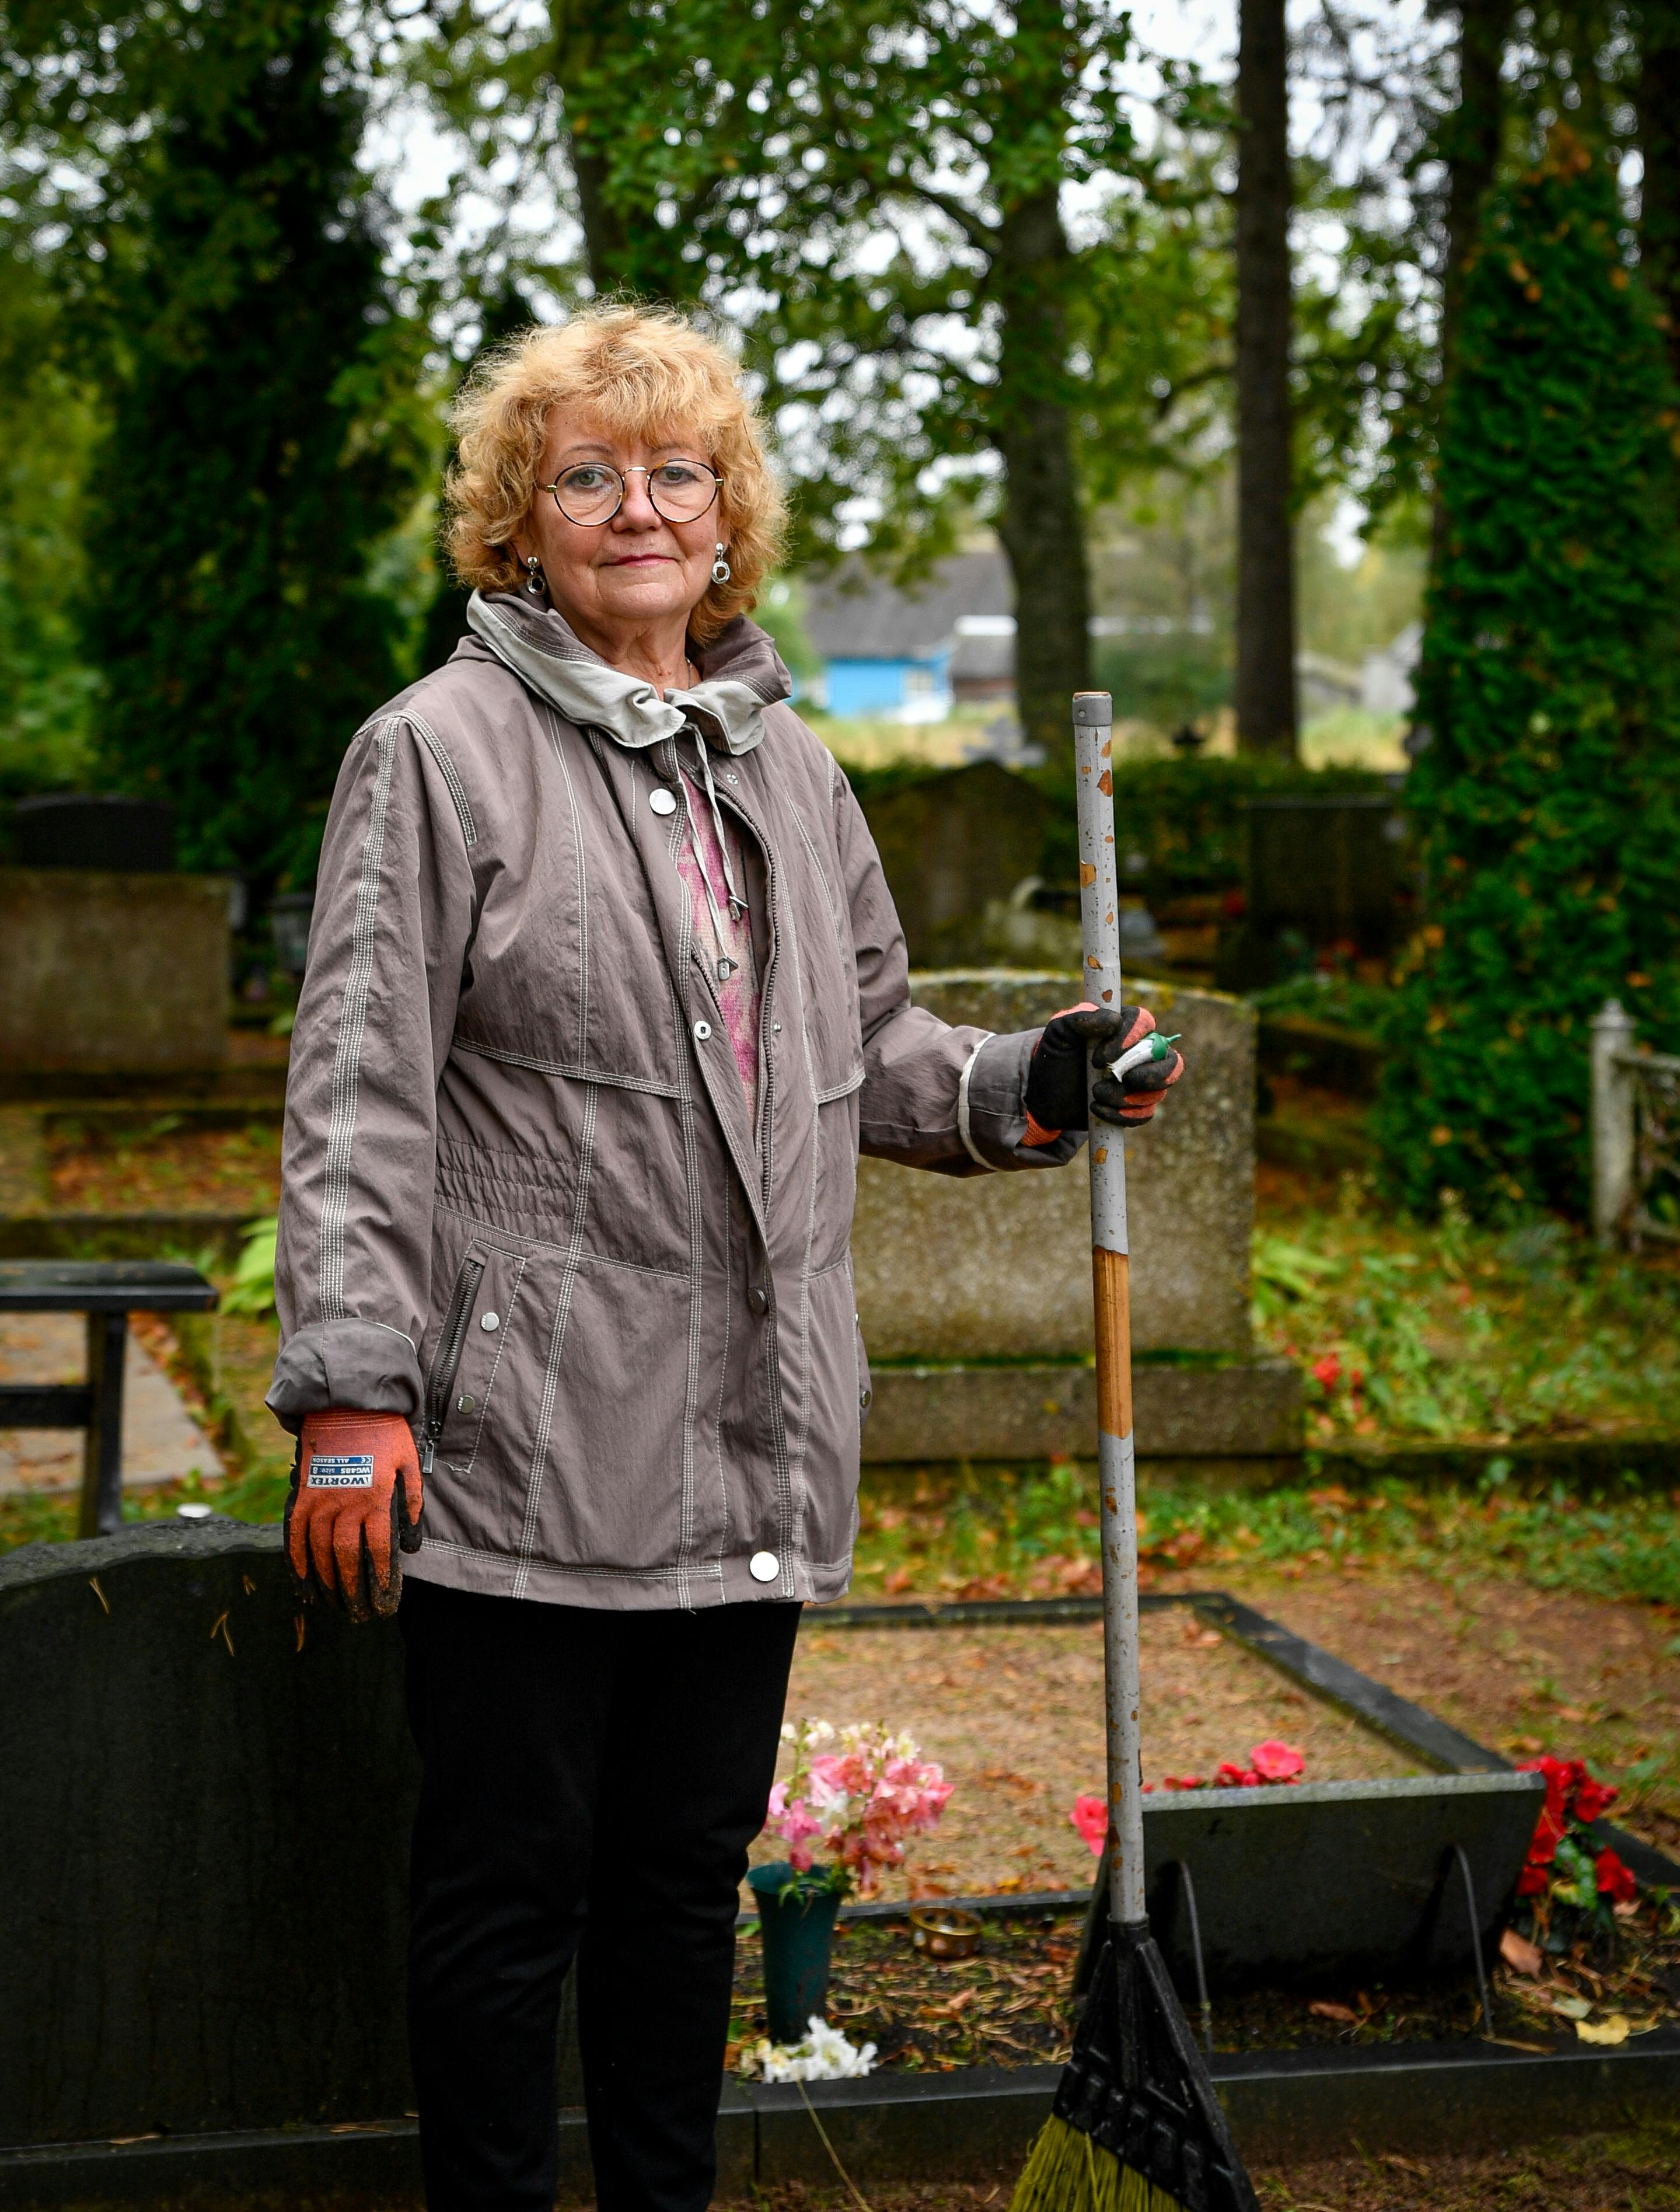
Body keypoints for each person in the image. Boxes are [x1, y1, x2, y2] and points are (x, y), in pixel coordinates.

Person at [268, 305, 1183, 2212]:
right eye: (585, 475)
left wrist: (1040, 1080)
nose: (636, 506)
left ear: (727, 519)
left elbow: (875, 1053)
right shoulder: (434, 756)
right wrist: (353, 1390)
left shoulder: (785, 772)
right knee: (511, 1895)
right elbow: (361, 1090)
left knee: (685, 1893)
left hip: (748, 1425)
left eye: (675, 472)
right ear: (517, 522)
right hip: (528, 1429)